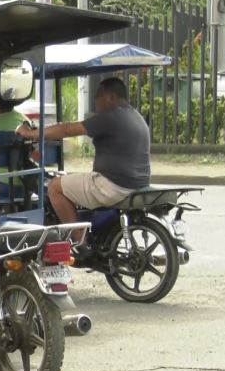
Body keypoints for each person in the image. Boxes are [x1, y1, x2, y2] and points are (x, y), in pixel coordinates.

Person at [16, 77, 150, 247]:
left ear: (111, 97)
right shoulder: (135, 115)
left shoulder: (111, 116)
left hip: (112, 185)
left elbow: (67, 129)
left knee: (55, 187)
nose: (96, 105)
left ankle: (79, 241)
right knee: (72, 179)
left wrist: (30, 134)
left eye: (98, 99)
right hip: (136, 184)